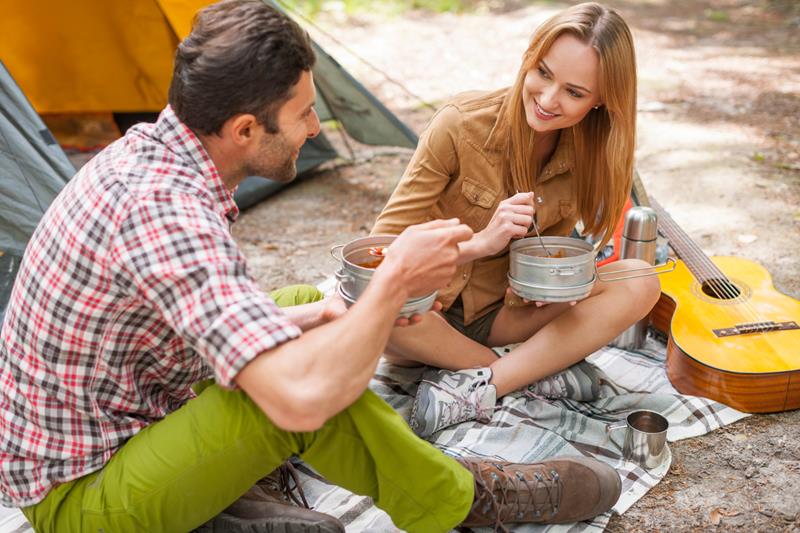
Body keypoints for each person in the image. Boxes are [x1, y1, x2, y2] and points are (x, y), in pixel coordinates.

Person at [0, 1, 622, 532]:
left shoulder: (161, 155)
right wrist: (394, 285)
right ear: (245, 129)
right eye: (302, 113)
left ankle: (239, 491)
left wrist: (331, 312)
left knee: (310, 303)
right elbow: (296, 398)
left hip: (136, 409)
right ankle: (464, 499)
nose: (315, 126)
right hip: (84, 493)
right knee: (292, 394)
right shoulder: (167, 215)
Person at [371, 2, 662, 438]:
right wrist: (480, 244)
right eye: (543, 73)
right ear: (529, 59)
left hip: (501, 318)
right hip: (424, 317)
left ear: (602, 100)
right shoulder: (460, 124)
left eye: (574, 92)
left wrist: (551, 284)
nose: (547, 100)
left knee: (641, 279)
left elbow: (555, 256)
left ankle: (487, 383)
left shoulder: (592, 154)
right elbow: (381, 247)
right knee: (370, 303)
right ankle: (523, 373)